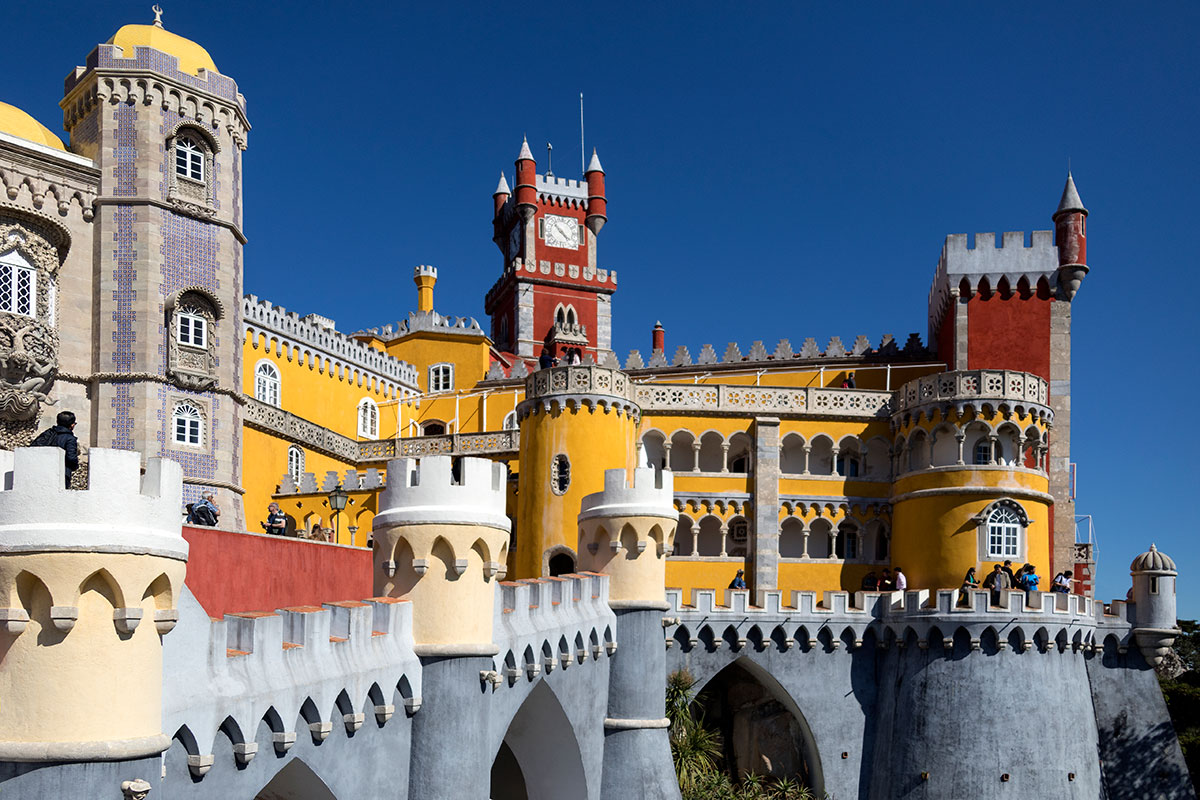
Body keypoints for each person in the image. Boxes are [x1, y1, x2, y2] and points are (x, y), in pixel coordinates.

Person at [32, 410, 79, 489]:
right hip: (62, 474)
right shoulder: (70, 439)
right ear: (72, 425)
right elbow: (71, 458)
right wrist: (74, 466)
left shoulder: (47, 433)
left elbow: (33, 447)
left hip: (42, 472)